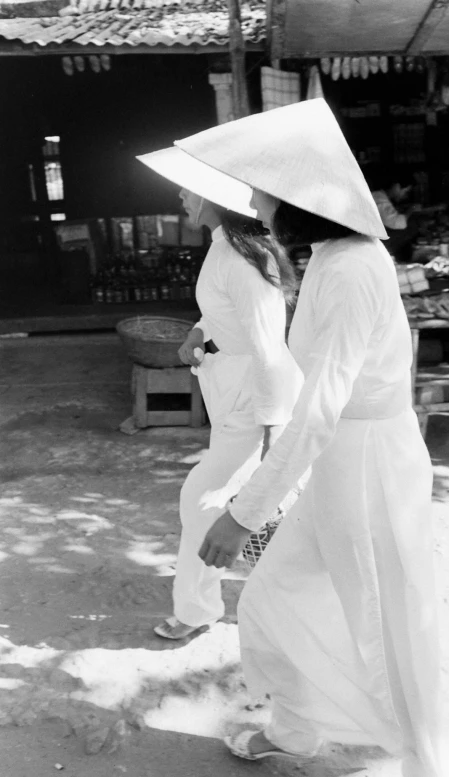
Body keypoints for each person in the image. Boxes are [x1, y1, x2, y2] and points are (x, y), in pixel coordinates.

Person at [153, 99, 449, 776]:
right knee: (272, 601)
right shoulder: (330, 257)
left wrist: (244, 512)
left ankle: (429, 762)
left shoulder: (354, 267)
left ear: (299, 198)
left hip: (367, 469)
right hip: (334, 464)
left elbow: (321, 405)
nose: (257, 202)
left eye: (264, 190)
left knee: (388, 626)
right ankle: (298, 731)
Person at [137, 148, 303, 641]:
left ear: (212, 196)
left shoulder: (240, 257)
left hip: (256, 399)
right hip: (235, 393)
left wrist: (275, 429)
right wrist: (198, 333)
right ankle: (270, 591)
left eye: (188, 189)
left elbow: (268, 346)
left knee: (202, 498)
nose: (181, 196)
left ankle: (195, 610)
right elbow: (223, 313)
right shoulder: (225, 246)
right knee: (220, 501)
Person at [365, 168, 420, 261]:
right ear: (397, 186)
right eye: (405, 191)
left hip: (373, 240)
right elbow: (398, 223)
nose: (405, 196)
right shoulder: (378, 198)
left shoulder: (381, 196)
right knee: (411, 227)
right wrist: (411, 210)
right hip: (369, 243)